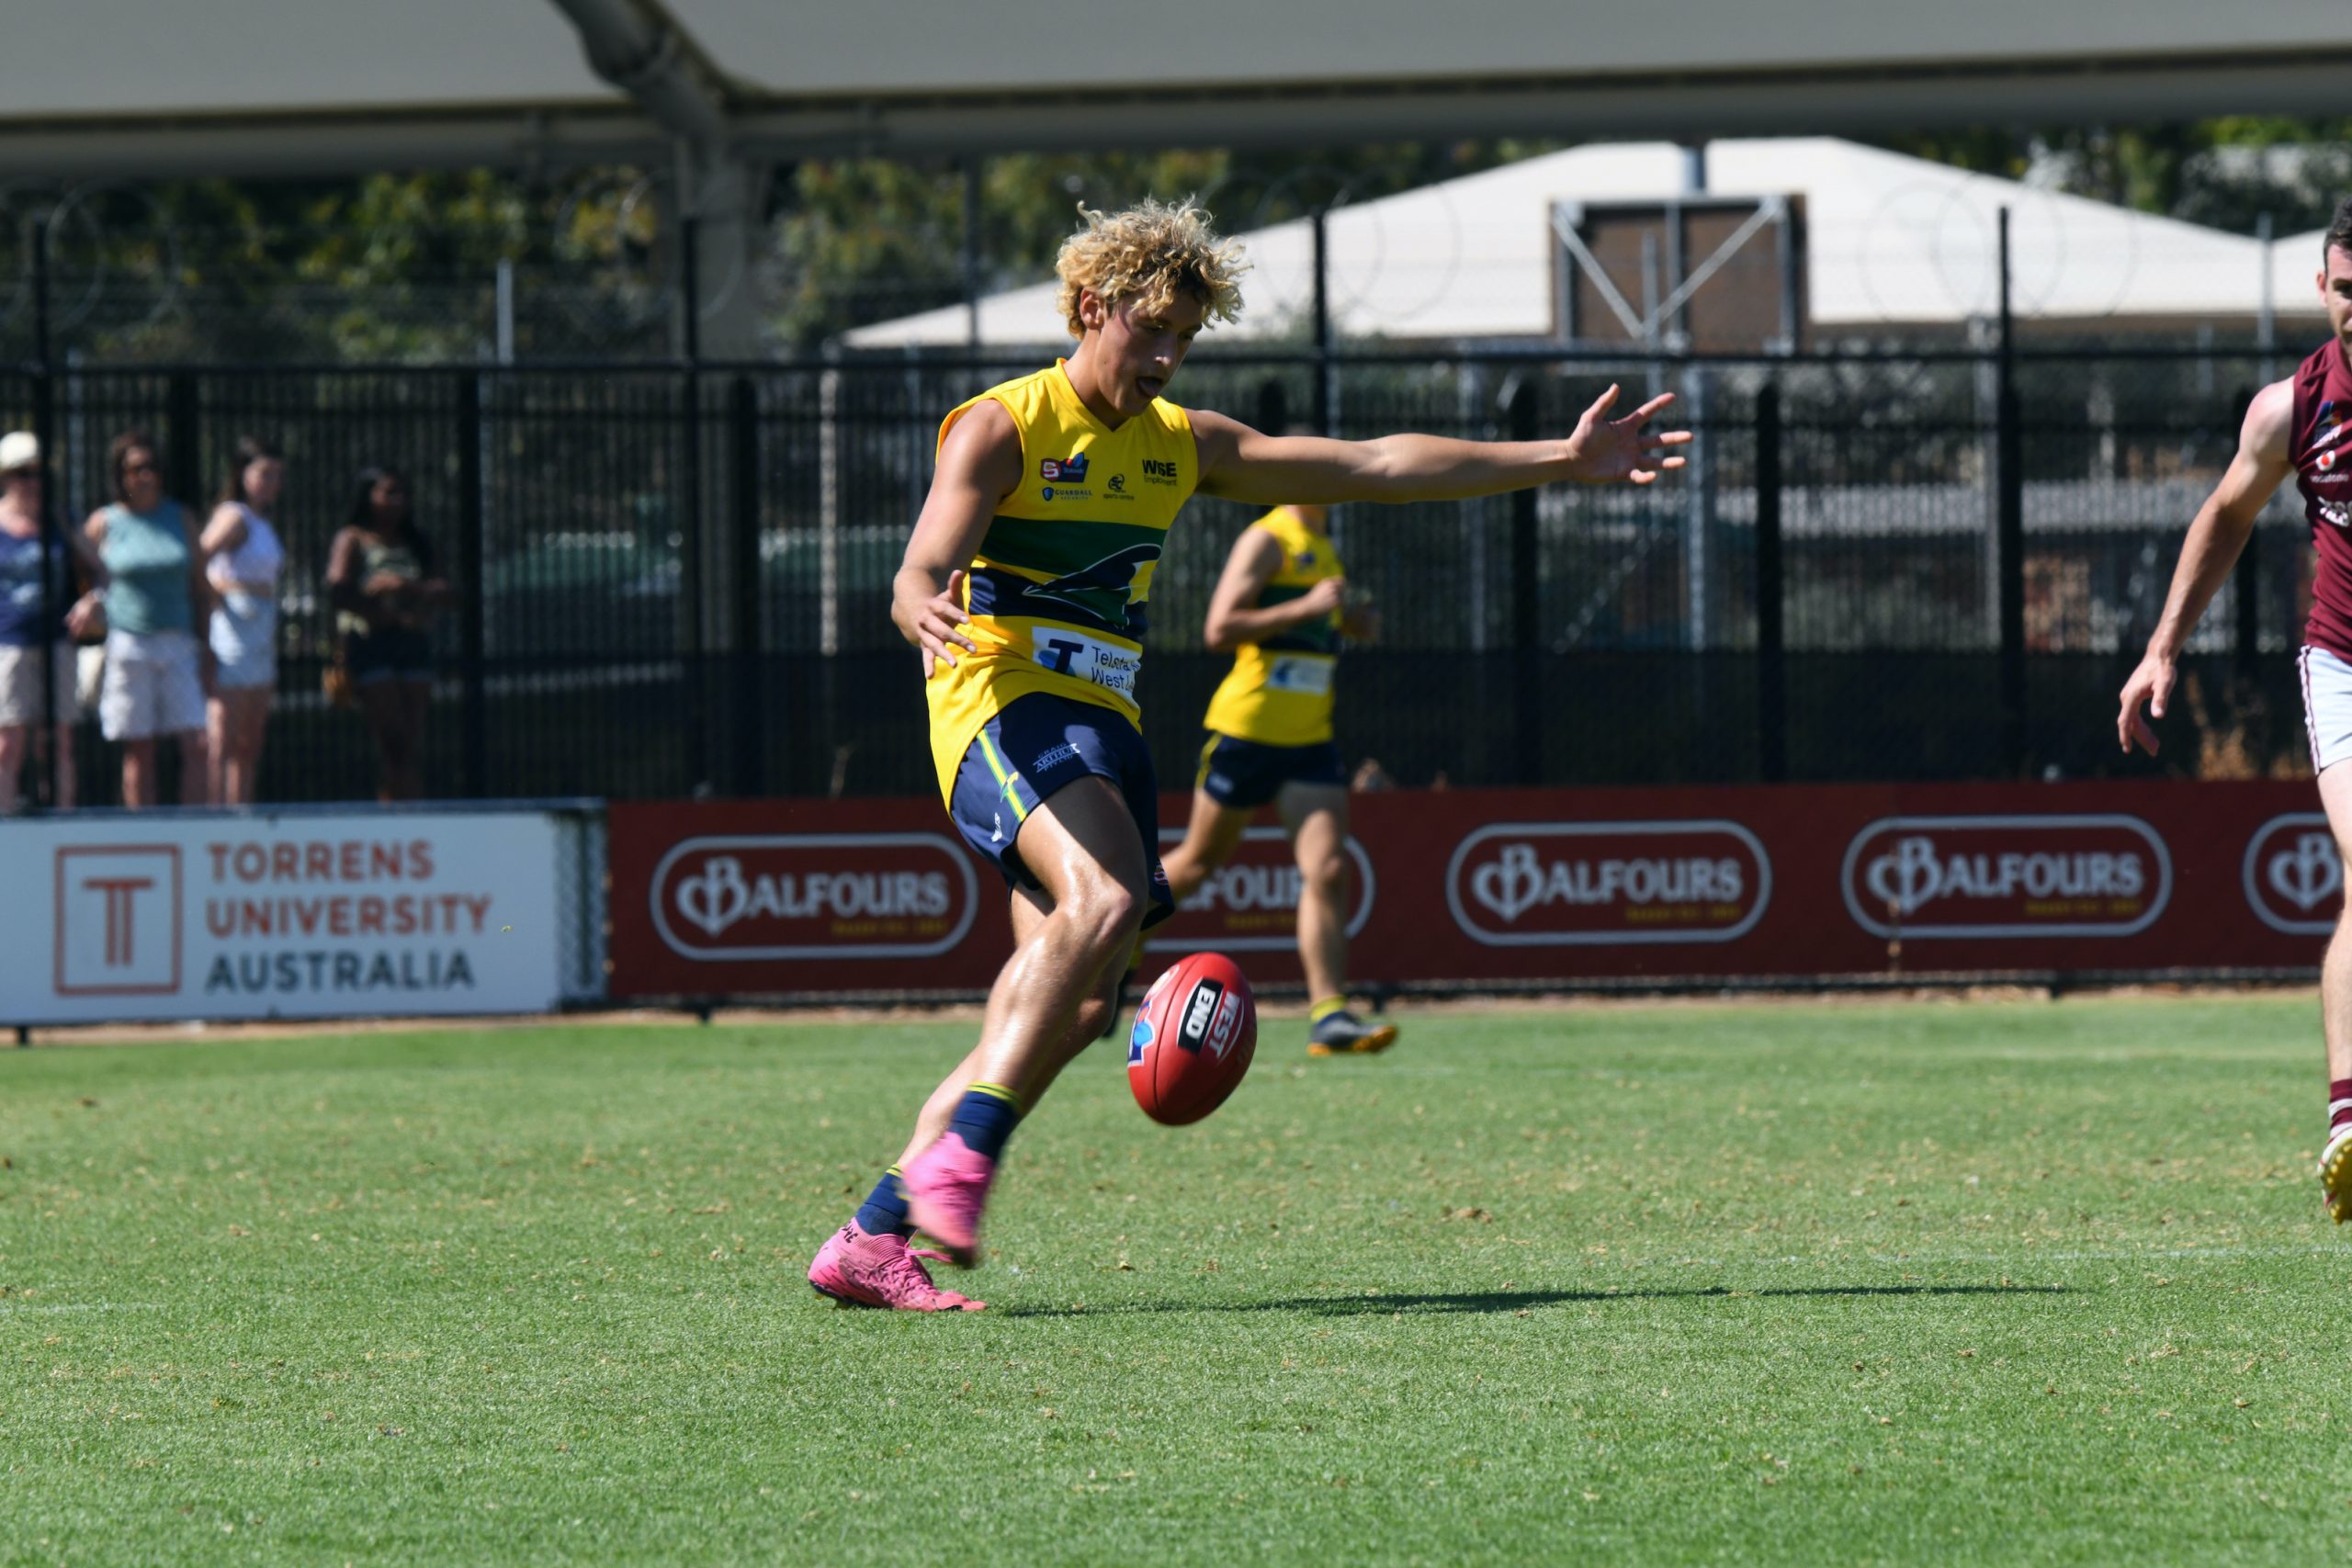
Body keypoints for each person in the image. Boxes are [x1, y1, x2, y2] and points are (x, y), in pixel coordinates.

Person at [807, 198, 1687, 1311]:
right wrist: (911, 601)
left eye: (1186, 337)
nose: (1169, 356)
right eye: (1152, 331)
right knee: (1105, 903)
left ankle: (872, 1235)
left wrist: (1559, 458)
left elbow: (1371, 462)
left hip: (1099, 721)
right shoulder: (1004, 425)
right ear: (1092, 308)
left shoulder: (1183, 444)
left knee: (1078, 1004)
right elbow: (923, 560)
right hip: (998, 702)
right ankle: (963, 1157)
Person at [2118, 196, 2352, 1223]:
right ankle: (2350, 1119)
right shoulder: (2288, 408)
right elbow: (2223, 515)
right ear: (2321, 288)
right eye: (2349, 291)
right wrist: (2163, 644)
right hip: (2345, 667)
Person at [1158, 498, 1396, 1056]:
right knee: (1197, 863)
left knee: (1330, 869)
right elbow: (1219, 628)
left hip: (1309, 739)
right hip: (1247, 730)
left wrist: (1350, 622)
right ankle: (1123, 943)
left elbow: (1321, 628)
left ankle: (1329, 1015)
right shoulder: (1267, 540)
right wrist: (1309, 606)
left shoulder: (1326, 549)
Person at [86, 429, 210, 807]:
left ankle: (194, 831)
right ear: (120, 475)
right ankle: (141, 830)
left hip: (178, 642)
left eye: (151, 467)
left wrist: (206, 646)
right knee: (140, 749)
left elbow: (201, 587)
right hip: (130, 644)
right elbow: (85, 582)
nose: (144, 476)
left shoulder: (181, 517)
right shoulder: (105, 523)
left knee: (196, 743)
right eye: (135, 468)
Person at [326, 465, 451, 802]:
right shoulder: (352, 539)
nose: (398, 501)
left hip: (412, 644)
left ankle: (405, 812)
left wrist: (404, 586)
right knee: (393, 738)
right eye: (389, 492)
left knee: (409, 743)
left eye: (403, 494)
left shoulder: (417, 542)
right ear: (369, 496)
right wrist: (382, 612)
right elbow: (339, 592)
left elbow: (445, 590)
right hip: (370, 644)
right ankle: (399, 812)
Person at [0, 432, 104, 811]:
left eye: (40, 473)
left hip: (58, 644)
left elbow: (100, 572)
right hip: (8, 645)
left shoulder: (63, 519)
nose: (33, 482)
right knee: (7, 743)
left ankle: (59, 821)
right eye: (23, 473)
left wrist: (93, 601)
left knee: (58, 741)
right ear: (6, 477)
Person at [201, 435, 287, 806]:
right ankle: (214, 813)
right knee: (224, 733)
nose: (272, 483)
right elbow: (197, 558)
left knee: (250, 738)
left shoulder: (262, 520)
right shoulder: (233, 516)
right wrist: (217, 589)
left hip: (262, 631)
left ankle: (241, 813)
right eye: (264, 474)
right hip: (233, 630)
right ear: (243, 473)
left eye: (277, 476)